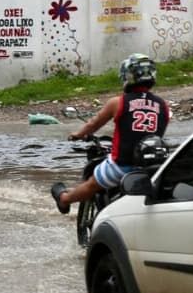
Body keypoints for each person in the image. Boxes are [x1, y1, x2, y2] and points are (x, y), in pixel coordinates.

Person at [51, 53, 170, 214]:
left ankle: (64, 199)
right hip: (152, 168)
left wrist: (78, 134)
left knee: (92, 184)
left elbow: (94, 124)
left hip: (122, 166)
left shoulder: (118, 102)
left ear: (128, 76)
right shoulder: (163, 105)